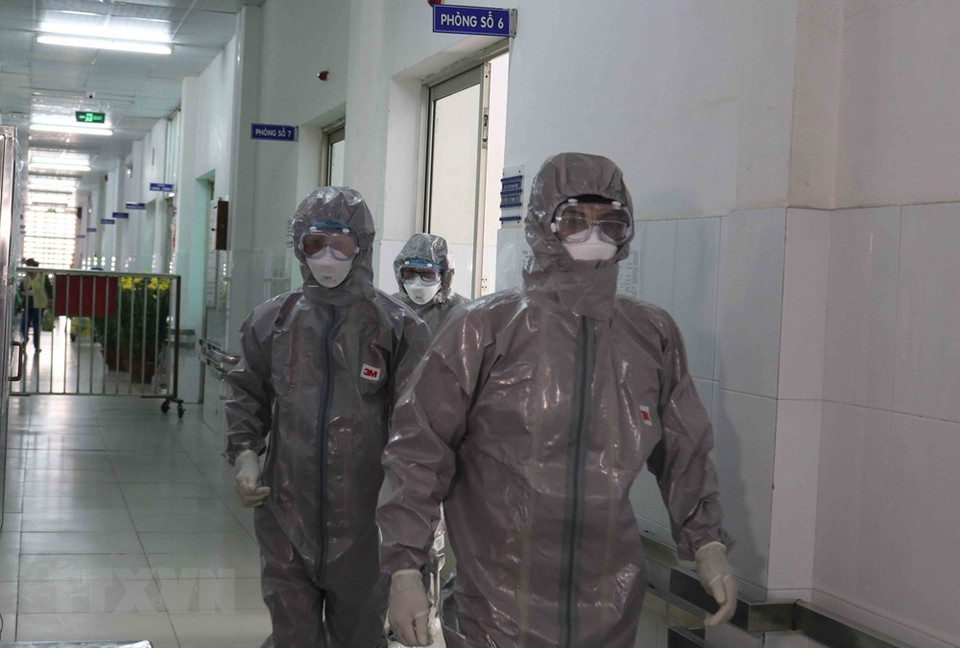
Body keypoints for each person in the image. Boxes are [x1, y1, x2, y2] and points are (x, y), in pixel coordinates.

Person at [377, 153, 737, 647]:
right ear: (544, 224)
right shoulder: (484, 329)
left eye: (609, 221)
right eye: (574, 220)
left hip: (609, 601)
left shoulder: (649, 335)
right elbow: (419, 452)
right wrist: (404, 569)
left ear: (626, 230)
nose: (593, 235)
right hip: (496, 605)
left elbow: (684, 447)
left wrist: (707, 540)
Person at [224, 187, 430, 648]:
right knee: (292, 632)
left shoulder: (399, 327)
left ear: (363, 247)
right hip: (285, 510)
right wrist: (245, 454)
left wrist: (408, 529)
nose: (329, 257)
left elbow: (418, 431)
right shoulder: (272, 322)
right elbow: (246, 391)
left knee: (359, 635)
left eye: (342, 244)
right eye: (317, 244)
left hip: (365, 518)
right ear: (300, 245)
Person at [392, 233, 469, 335]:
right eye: (409, 274)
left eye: (427, 274)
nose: (417, 284)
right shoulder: (391, 308)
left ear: (445, 276)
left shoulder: (461, 311)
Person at [19, 258, 49, 352]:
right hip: (28, 304)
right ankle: (25, 339)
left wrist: (51, 301)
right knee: (24, 325)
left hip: (39, 305)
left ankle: (36, 346)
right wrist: (23, 293)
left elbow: (48, 289)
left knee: (36, 326)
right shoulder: (25, 278)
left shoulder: (43, 276)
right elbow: (20, 291)